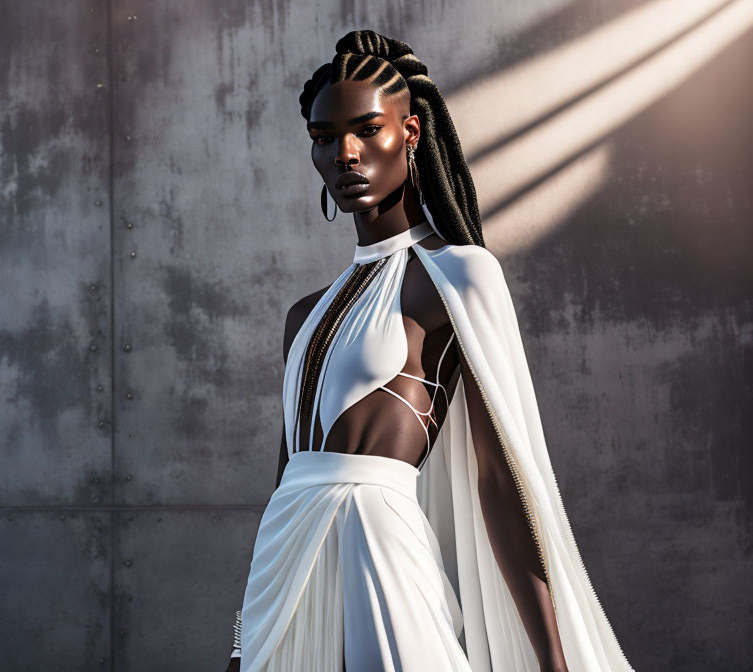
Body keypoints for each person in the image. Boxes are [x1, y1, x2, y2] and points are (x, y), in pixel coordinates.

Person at [225, 30, 634, 672]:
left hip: (382, 560)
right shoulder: (301, 316)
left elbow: (501, 477)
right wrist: (243, 641)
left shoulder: (458, 275)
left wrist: (552, 658)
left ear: (410, 133)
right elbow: (286, 485)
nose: (346, 154)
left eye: (367, 130)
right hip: (284, 581)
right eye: (324, 138)